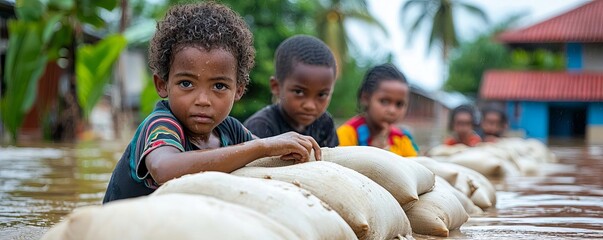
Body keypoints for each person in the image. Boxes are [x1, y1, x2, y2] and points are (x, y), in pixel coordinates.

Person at [103, 3, 321, 203]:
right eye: (187, 83)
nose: (203, 100)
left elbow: (264, 157)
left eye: (219, 86)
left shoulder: (231, 130)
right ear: (162, 85)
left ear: (238, 91)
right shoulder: (161, 124)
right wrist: (263, 146)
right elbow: (164, 168)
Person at [244, 35, 339, 147]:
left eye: (322, 94)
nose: (310, 106)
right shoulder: (260, 126)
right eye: (299, 92)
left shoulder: (325, 124)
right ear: (276, 87)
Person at [337, 63, 419, 157]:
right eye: (384, 101)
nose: (392, 110)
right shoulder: (348, 134)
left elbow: (414, 167)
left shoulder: (402, 140)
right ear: (366, 98)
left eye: (399, 104)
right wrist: (374, 153)